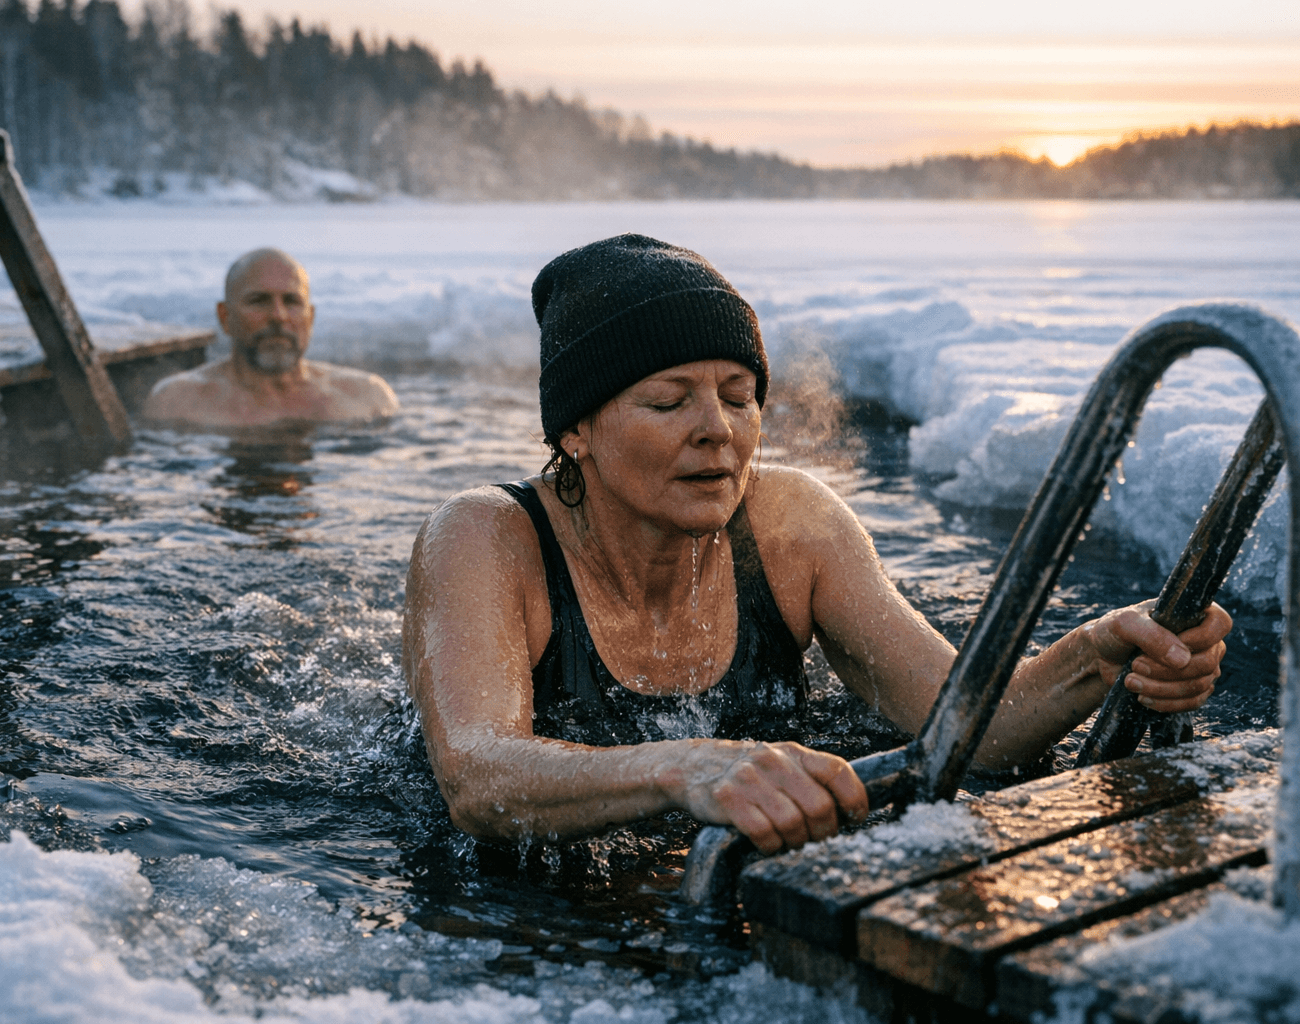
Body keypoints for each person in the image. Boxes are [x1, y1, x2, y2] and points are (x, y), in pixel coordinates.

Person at [402, 233, 1228, 856]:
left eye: (738, 395)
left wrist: (1098, 655)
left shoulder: (790, 525)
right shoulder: (485, 536)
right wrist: (689, 768)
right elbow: (479, 779)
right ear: (576, 429)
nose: (717, 431)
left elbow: (972, 724)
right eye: (667, 401)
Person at [142, 248, 399, 427]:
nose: (278, 316)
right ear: (225, 316)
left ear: (310, 318)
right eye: (258, 301)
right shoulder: (179, 402)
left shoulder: (367, 397)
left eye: (291, 301)